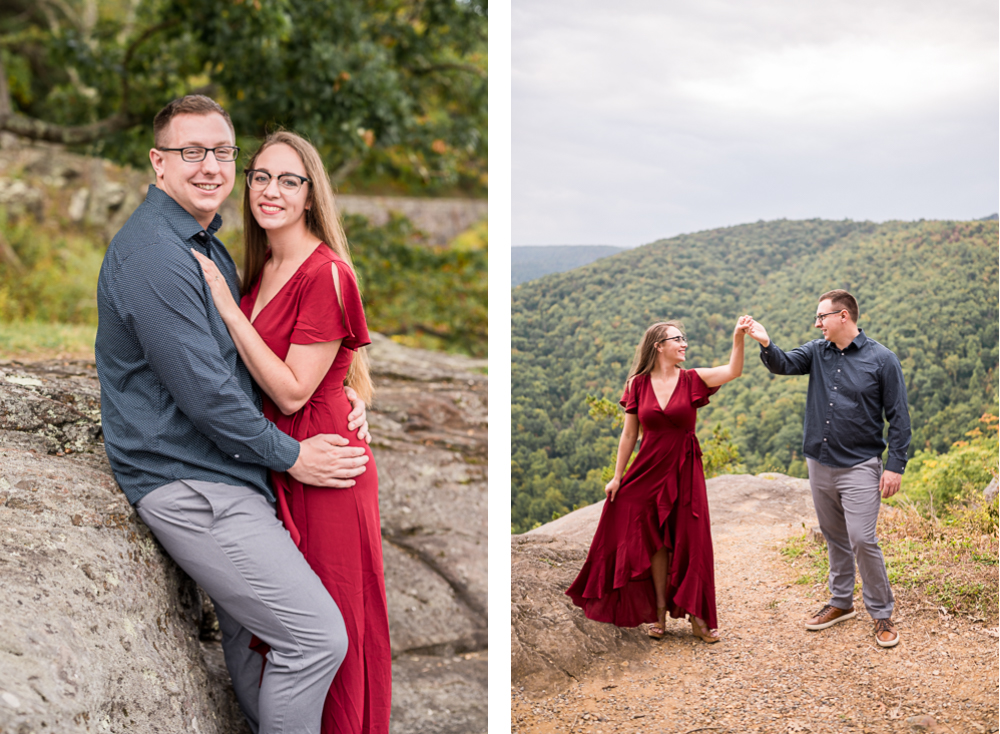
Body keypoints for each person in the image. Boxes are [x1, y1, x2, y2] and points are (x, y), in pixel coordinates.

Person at [96, 95, 371, 734]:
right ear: (158, 164)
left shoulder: (207, 246)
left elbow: (268, 358)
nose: (210, 166)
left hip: (226, 475)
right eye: (191, 152)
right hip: (194, 483)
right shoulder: (157, 256)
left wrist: (343, 389)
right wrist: (295, 455)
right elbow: (209, 397)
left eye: (222, 152)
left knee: (256, 650)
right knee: (317, 639)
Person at [192, 130, 391, 734]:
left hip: (325, 462)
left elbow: (293, 389)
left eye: (289, 181)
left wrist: (227, 308)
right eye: (261, 177)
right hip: (279, 457)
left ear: (310, 196)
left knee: (328, 622)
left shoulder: (325, 272)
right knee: (285, 625)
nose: (271, 191)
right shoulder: (265, 264)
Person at [566, 316, 752, 643]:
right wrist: (617, 477)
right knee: (653, 539)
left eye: (684, 339)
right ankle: (659, 612)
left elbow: (733, 371)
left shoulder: (693, 378)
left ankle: (698, 617)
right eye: (677, 339)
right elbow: (629, 434)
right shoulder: (636, 384)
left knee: (691, 537)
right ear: (659, 346)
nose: (684, 344)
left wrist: (738, 336)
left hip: (684, 466)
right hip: (648, 468)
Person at [747, 289, 910, 648]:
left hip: (861, 465)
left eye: (822, 317)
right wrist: (765, 342)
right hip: (819, 463)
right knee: (834, 536)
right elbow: (784, 363)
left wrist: (895, 465)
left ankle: (882, 614)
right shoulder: (816, 352)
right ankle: (840, 603)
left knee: (862, 539)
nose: (817, 323)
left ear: (843, 317)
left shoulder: (882, 359)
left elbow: (898, 417)